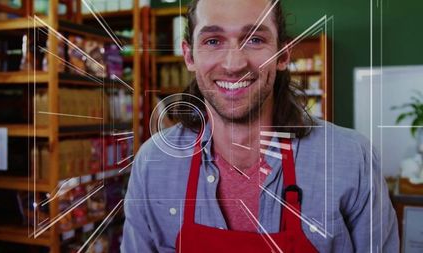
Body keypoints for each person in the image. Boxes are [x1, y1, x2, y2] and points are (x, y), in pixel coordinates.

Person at [121, 0, 399, 252]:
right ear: (190, 56)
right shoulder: (153, 164)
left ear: (283, 55)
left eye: (254, 39)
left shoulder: (351, 160)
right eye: (213, 41)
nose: (233, 64)